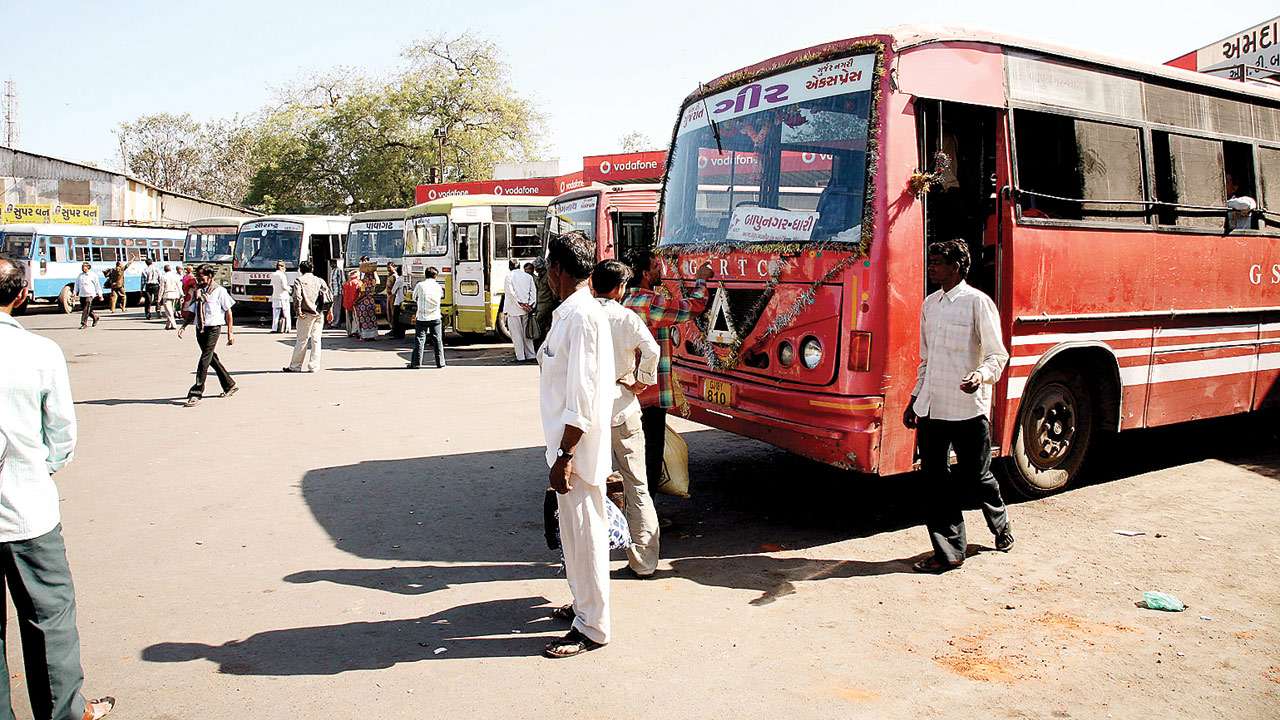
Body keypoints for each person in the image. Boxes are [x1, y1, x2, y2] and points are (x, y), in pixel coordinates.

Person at [0, 258, 117, 720]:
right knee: (49, 618)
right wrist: (38, 468)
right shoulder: (39, 352)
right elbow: (62, 434)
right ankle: (66, 713)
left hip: (23, 505)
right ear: (22, 294)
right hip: (25, 510)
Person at [903, 239, 1013, 573]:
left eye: (938, 262)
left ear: (957, 267)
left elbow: (997, 354)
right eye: (931, 261)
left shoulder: (978, 303)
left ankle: (1000, 524)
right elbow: (926, 359)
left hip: (968, 409)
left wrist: (980, 376)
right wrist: (915, 399)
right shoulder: (930, 304)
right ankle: (949, 552)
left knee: (976, 476)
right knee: (935, 481)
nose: (931, 266)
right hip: (933, 408)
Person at [539, 231, 615, 659]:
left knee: (585, 537)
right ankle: (584, 606)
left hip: (578, 454)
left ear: (558, 270)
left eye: (548, 267)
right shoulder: (570, 313)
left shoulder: (583, 316)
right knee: (575, 536)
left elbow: (582, 395)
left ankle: (592, 627)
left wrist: (566, 455)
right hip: (566, 449)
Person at [623, 249, 714, 495]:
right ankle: (647, 514)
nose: (659, 270)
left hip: (631, 393)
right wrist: (701, 280)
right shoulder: (649, 302)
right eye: (655, 266)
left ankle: (637, 507)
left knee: (636, 453)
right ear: (644, 274)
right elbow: (691, 308)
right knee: (651, 454)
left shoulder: (625, 301)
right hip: (650, 393)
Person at [592, 260, 662, 578]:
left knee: (591, 486)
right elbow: (652, 350)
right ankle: (644, 561)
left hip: (588, 413)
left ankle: (591, 559)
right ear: (620, 288)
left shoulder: (580, 315)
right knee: (636, 485)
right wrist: (641, 380)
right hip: (623, 407)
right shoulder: (626, 316)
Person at [178, 266, 238, 407]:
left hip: (214, 328)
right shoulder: (199, 291)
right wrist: (184, 326)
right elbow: (193, 311)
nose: (199, 280)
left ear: (210, 276)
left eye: (202, 277)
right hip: (201, 328)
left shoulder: (219, 291)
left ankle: (196, 392)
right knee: (211, 358)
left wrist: (230, 333)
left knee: (205, 359)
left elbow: (228, 312)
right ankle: (229, 385)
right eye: (198, 277)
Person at [283, 261, 333, 373]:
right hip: (319, 313)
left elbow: (297, 297)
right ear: (312, 269)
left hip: (305, 313)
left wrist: (298, 310)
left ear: (301, 270)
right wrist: (330, 311)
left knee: (302, 340)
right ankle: (314, 366)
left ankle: (295, 366)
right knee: (316, 339)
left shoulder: (299, 280)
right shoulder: (319, 280)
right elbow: (328, 296)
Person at [408, 267, 446, 369]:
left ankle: (416, 363)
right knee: (437, 340)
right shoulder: (438, 286)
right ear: (435, 276)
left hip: (422, 317)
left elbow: (413, 297)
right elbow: (441, 296)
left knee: (420, 340)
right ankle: (440, 363)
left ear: (425, 275)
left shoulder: (420, 285)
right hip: (435, 316)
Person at [503, 259, 537, 362]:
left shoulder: (509, 276)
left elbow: (511, 293)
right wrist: (529, 305)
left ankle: (521, 357)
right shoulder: (528, 277)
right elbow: (533, 293)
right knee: (527, 334)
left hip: (514, 310)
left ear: (510, 266)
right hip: (527, 310)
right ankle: (531, 355)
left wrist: (520, 304)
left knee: (517, 334)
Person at [531, 258, 557, 349]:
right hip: (541, 303)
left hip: (546, 303)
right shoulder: (541, 276)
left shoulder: (547, 276)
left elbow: (552, 290)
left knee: (538, 325)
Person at [74, 262, 102, 330]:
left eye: (84, 267)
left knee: (86, 309)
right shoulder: (80, 276)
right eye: (82, 267)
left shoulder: (93, 275)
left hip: (90, 294)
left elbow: (97, 285)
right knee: (85, 308)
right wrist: (74, 292)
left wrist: (100, 295)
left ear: (88, 267)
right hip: (82, 294)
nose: (83, 268)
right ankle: (95, 317)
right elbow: (76, 285)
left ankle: (84, 323)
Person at [354, 271, 380, 341]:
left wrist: (356, 301)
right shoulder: (373, 282)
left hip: (364, 304)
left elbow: (363, 294)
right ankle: (372, 335)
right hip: (371, 302)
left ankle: (366, 336)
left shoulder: (363, 283)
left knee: (364, 319)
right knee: (372, 319)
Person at [269, 261, 292, 334]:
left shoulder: (272, 274)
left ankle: (274, 328)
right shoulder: (282, 275)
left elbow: (272, 284)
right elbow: (284, 286)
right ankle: (287, 328)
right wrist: (290, 289)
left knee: (275, 313)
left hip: (275, 296)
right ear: (282, 267)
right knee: (286, 313)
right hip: (284, 297)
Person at [386, 263, 406, 339]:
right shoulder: (405, 279)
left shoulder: (398, 279)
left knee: (396, 318)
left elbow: (393, 291)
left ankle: (396, 334)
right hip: (404, 300)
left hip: (397, 301)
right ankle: (400, 333)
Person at [159, 264, 182, 330]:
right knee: (171, 310)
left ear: (164, 270)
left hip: (167, 295)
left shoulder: (163, 277)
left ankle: (174, 324)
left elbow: (162, 288)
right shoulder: (175, 276)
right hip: (175, 295)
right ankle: (168, 325)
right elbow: (179, 286)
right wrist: (181, 294)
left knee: (168, 311)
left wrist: (159, 298)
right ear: (170, 269)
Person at [342, 270, 361, 338]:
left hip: (347, 303)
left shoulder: (346, 283)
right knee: (356, 318)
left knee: (348, 318)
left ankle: (349, 332)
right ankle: (356, 331)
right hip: (355, 302)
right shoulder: (358, 283)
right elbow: (360, 293)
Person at [328, 262, 345, 329]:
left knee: (337, 308)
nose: (331, 265)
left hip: (338, 292)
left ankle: (336, 323)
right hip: (333, 292)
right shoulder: (332, 271)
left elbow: (342, 281)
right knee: (334, 308)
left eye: (332, 264)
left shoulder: (339, 270)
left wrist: (340, 291)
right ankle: (334, 322)